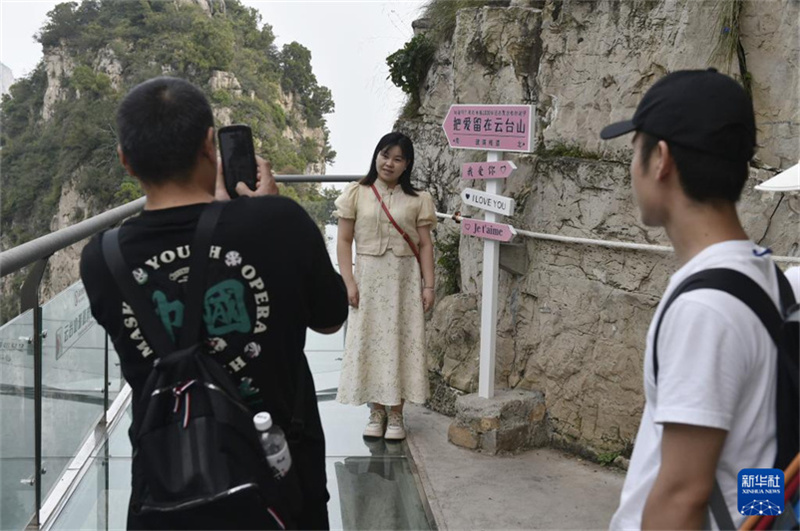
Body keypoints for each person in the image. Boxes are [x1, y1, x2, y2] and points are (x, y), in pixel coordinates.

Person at [79, 77, 348, 529]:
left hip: (168, 487)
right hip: (281, 482)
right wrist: (260, 213)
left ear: (125, 159)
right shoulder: (278, 223)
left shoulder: (101, 259)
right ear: (210, 145)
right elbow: (330, 319)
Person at [600, 69, 787, 529]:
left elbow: (683, 496)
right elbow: (757, 452)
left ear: (660, 160)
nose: (632, 169)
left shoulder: (705, 309)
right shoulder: (766, 277)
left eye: (635, 150)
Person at [333, 132, 437, 440]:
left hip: (404, 279)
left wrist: (429, 286)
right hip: (368, 278)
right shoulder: (356, 193)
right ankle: (376, 411)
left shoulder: (419, 199)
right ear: (376, 156)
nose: (389, 163)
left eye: (397, 158)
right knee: (371, 342)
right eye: (384, 155)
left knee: (400, 342)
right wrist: (348, 281)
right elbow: (344, 240)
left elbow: (426, 245)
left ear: (407, 164)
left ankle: (396, 414)